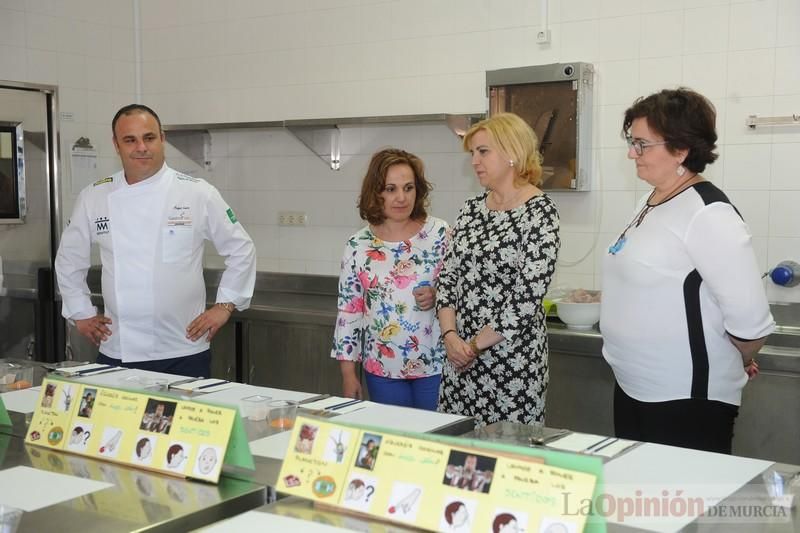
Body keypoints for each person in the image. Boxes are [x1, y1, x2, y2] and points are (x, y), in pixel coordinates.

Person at [601, 88, 775, 454]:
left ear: (680, 149)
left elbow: (751, 321)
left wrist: (737, 357)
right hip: (634, 387)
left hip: (685, 399)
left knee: (681, 506)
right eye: (631, 141)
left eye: (642, 144)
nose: (631, 152)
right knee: (639, 505)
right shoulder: (650, 201)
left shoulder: (708, 213)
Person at [55, 104, 256, 378]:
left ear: (162, 138)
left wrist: (224, 305)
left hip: (183, 349)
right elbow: (69, 258)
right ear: (116, 145)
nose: (141, 147)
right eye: (130, 140)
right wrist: (80, 312)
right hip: (118, 349)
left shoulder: (197, 193)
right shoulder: (94, 196)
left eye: (149, 138)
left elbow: (241, 249)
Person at [436, 112, 560, 427]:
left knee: (510, 460)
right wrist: (451, 337)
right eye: (472, 153)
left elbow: (525, 298)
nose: (474, 161)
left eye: (483, 151)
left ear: (512, 154)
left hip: (512, 366)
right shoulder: (470, 210)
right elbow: (448, 280)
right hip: (459, 362)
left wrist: (474, 347)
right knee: (457, 457)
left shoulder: (541, 213)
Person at [331, 148, 449, 410]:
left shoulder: (440, 233)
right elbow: (349, 313)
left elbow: (464, 290)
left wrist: (438, 294)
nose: (401, 198)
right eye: (391, 189)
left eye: (408, 188)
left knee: (436, 444)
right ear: (376, 193)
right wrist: (348, 374)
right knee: (396, 444)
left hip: (436, 364)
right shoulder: (358, 245)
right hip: (383, 369)